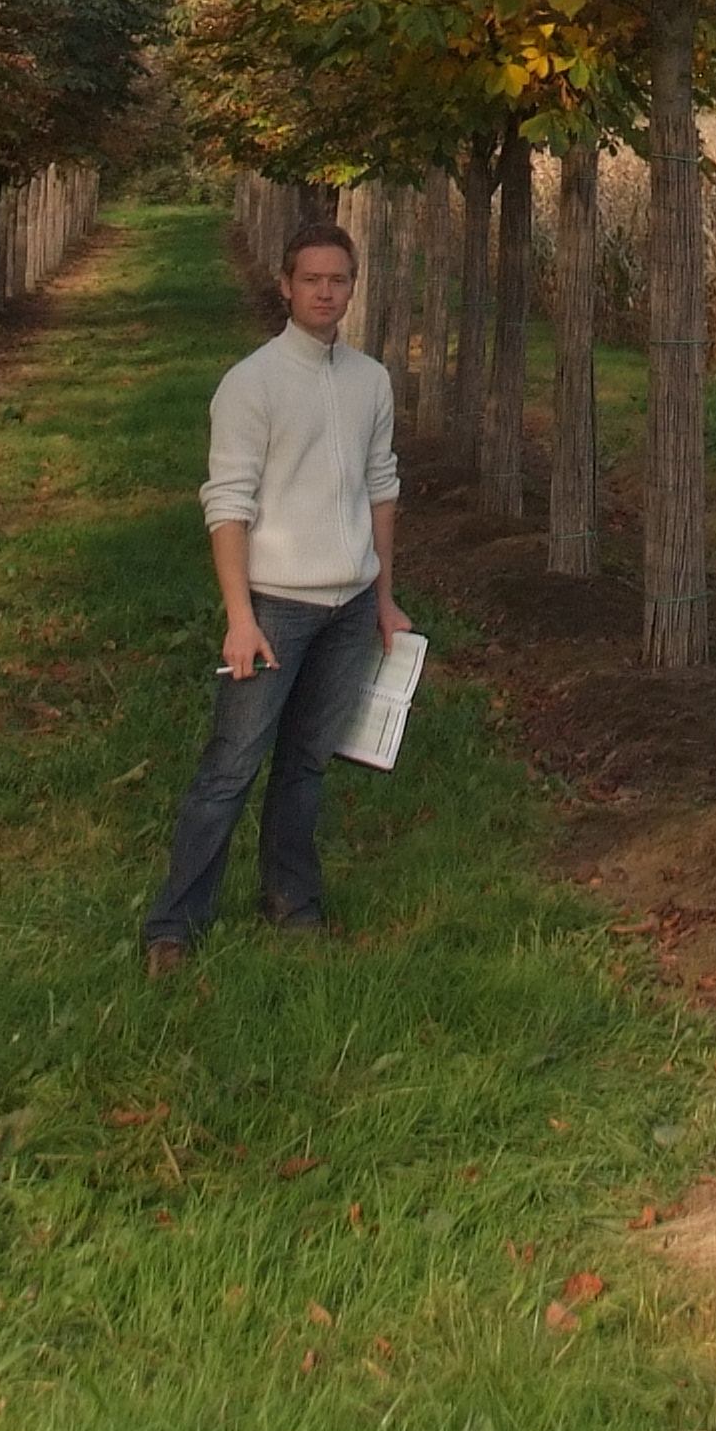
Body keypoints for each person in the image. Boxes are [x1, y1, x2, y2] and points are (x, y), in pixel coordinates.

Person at [143, 218, 411, 970]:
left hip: (350, 607)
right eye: (313, 280)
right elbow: (228, 504)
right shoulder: (251, 384)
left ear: (353, 288)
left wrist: (384, 597)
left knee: (308, 762)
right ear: (286, 286)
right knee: (231, 764)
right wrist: (240, 618)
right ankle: (174, 925)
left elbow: (380, 489)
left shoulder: (370, 381)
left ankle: (292, 899)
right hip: (276, 609)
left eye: (340, 280)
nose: (327, 293)